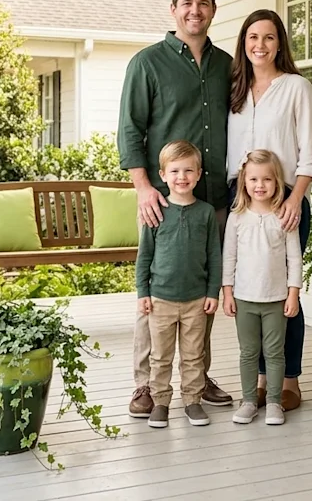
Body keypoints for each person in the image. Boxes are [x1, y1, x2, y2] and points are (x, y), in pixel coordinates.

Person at [118, 0, 235, 417]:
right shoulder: (147, 63)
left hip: (213, 200)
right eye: (187, 3)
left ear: (213, 9)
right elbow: (130, 128)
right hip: (162, 200)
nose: (195, 11)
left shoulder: (227, 65)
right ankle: (145, 385)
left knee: (201, 291)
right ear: (173, 9)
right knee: (157, 295)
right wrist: (143, 186)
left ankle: (196, 378)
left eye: (203, 3)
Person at [225, 9, 312, 413]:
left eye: (267, 37)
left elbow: (310, 152)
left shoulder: (296, 87)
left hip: (284, 195)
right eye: (252, 37)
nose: (259, 45)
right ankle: (260, 382)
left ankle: (289, 381)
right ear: (243, 44)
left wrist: (295, 199)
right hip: (241, 197)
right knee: (251, 290)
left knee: (285, 294)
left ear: (279, 42)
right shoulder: (234, 90)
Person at [136, 140, 222, 429]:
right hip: (160, 299)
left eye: (188, 171)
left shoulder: (206, 213)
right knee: (160, 356)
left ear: (198, 174)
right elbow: (144, 256)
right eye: (174, 171)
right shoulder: (156, 211)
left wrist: (213, 293)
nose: (181, 177)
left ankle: (192, 401)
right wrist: (142, 293)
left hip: (196, 300)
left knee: (193, 355)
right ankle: (160, 403)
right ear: (162, 175)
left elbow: (214, 256)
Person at [222, 150, 301, 426]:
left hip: (276, 300)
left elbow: (294, 258)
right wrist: (227, 292)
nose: (260, 185)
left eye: (267, 179)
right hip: (244, 299)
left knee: (275, 352)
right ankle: (248, 401)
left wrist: (293, 293)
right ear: (244, 181)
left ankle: (275, 402)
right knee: (248, 352)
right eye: (253, 179)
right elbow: (228, 257)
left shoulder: (284, 217)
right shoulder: (237, 217)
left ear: (277, 182)